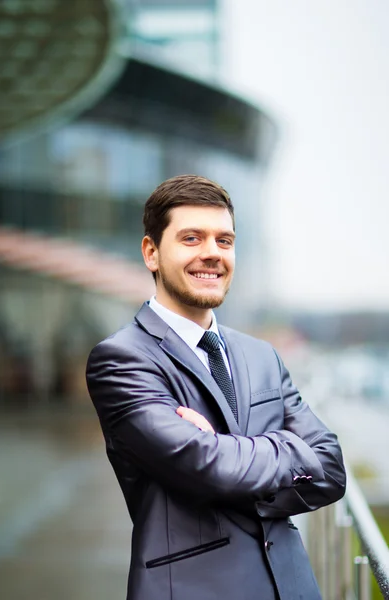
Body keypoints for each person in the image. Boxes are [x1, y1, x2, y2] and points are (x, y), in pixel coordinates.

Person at [86, 174, 346, 600]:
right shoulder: (122, 359)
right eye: (192, 238)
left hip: (293, 587)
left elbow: (332, 470)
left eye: (224, 241)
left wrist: (228, 453)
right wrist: (291, 452)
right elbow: (210, 466)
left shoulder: (263, 355)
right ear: (151, 253)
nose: (212, 254)